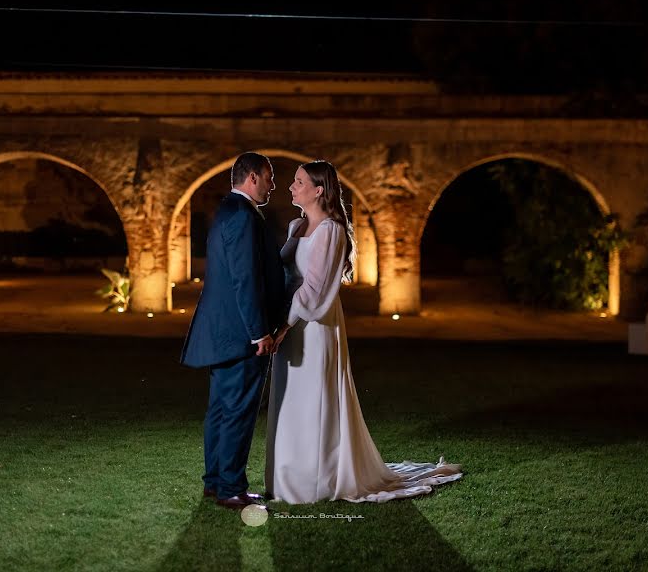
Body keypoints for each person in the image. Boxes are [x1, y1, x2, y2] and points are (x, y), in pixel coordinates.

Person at [265, 160, 463, 504]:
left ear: (318, 190)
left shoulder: (331, 230)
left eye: (298, 182)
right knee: (289, 398)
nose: (290, 186)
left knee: (313, 397)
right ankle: (287, 477)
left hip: (314, 325)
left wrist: (285, 324)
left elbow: (314, 289)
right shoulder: (297, 226)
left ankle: (319, 479)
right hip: (291, 323)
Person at [180, 152, 286, 510]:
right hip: (241, 336)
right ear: (252, 177)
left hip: (222, 332)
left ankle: (215, 482)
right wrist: (260, 333)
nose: (273, 185)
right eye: (269, 177)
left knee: (221, 410)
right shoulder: (242, 215)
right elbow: (244, 279)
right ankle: (230, 488)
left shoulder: (228, 209)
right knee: (237, 412)